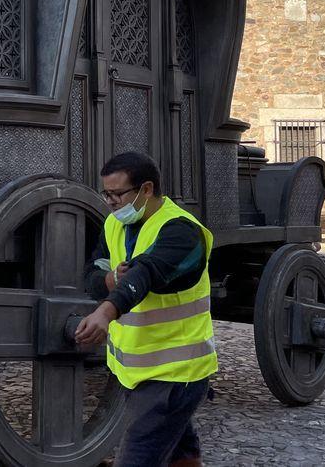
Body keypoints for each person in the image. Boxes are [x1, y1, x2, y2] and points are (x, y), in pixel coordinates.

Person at [74, 152, 216, 467]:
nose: (110, 202)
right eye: (105, 193)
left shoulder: (181, 231)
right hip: (138, 371)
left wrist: (105, 312)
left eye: (117, 194)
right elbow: (93, 273)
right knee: (180, 451)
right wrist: (109, 279)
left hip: (176, 373)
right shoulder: (114, 225)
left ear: (146, 189)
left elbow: (146, 272)